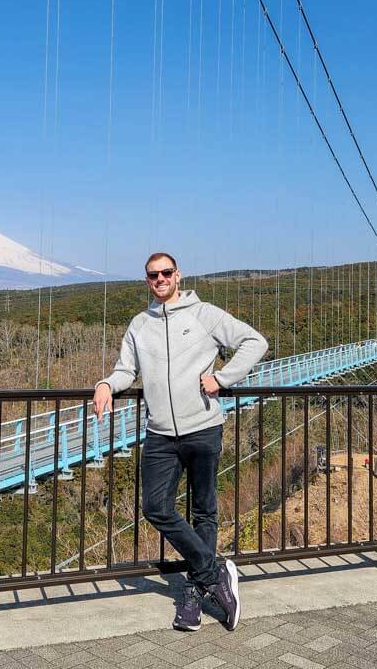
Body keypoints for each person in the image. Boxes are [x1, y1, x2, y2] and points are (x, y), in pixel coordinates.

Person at [93, 252, 268, 632]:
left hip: (202, 426)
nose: (160, 279)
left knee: (204, 510)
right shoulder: (139, 324)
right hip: (159, 433)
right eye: (153, 275)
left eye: (166, 273)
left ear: (178, 275)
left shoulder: (204, 314)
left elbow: (255, 341)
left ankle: (193, 592)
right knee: (155, 507)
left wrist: (223, 379)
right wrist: (106, 383)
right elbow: (127, 370)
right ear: (147, 281)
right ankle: (214, 574)